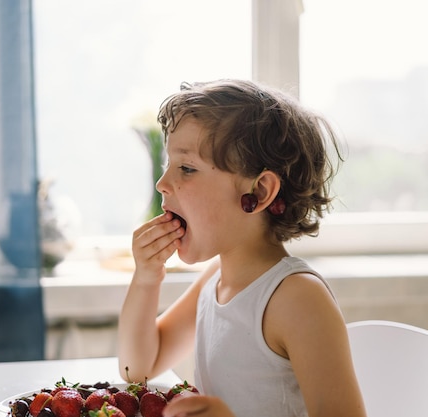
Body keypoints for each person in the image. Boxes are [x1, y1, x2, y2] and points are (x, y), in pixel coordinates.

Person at [117, 79, 366, 417]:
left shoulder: (298, 299)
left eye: (187, 168)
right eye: (168, 166)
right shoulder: (215, 281)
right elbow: (137, 370)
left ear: (260, 192)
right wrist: (146, 278)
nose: (162, 184)